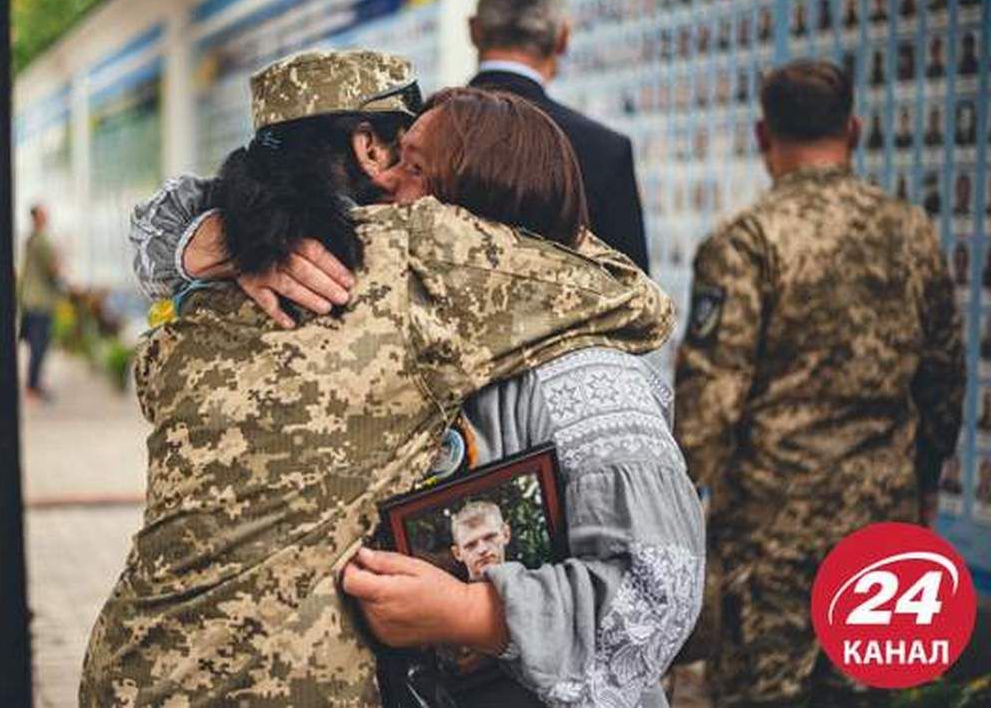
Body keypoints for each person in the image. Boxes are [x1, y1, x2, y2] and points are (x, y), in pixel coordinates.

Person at [91, 50, 703, 708]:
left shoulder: (577, 366)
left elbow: (657, 586)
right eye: (393, 160)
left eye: (415, 170)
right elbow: (635, 296)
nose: (390, 195)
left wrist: (476, 612)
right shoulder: (389, 279)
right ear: (363, 145)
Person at [675, 60, 965, 708]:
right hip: (879, 524)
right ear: (854, 129)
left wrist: (678, 515)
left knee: (763, 696)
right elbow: (944, 377)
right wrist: (921, 486)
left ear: (761, 135)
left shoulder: (745, 242)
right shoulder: (912, 234)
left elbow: (710, 402)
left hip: (769, 532)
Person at [467, 0, 650, 273]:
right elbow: (637, 298)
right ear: (563, 38)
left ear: (473, 30)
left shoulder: (417, 132)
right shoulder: (605, 151)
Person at [18, 204, 62, 399]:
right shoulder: (42, 241)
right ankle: (33, 386)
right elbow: (53, 269)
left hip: (29, 299)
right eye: (44, 214)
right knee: (39, 345)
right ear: (37, 218)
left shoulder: (29, 240)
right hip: (41, 300)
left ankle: (32, 385)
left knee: (35, 344)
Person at [449, 502, 510, 582]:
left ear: (506, 534)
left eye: (490, 537)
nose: (482, 549)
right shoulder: (450, 594)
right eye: (470, 545)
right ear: (457, 553)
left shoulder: (530, 586)